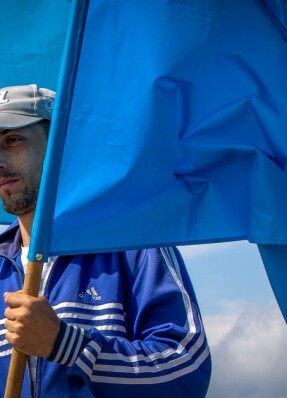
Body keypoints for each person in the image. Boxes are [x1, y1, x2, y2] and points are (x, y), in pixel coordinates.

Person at [0, 84, 211, 397]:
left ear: (62, 148)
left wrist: (63, 343)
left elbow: (186, 369)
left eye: (13, 140)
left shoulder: (135, 243)